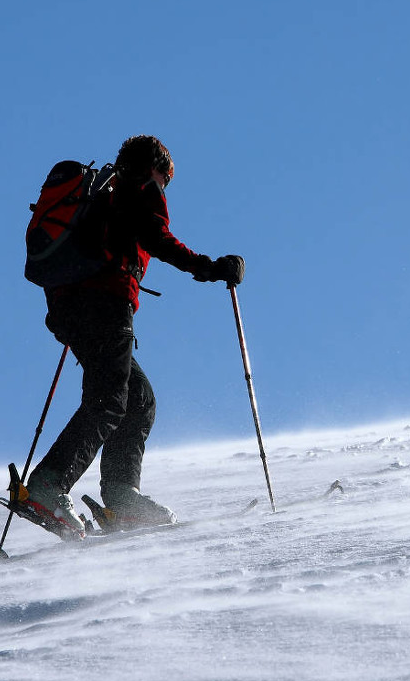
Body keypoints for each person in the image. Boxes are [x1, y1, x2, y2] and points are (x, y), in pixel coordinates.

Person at [23, 135, 245, 535]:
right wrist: (213, 268)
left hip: (69, 306)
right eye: (167, 178)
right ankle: (50, 484)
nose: (165, 187)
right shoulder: (138, 187)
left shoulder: (102, 191)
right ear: (157, 169)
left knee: (137, 399)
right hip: (105, 303)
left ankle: (122, 495)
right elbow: (157, 238)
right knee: (109, 401)